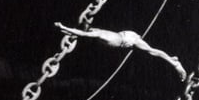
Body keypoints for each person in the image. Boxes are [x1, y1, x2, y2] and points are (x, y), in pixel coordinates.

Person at [55, 22, 186, 80]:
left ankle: (175, 63)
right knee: (150, 52)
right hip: (125, 36)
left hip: (127, 39)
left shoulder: (96, 34)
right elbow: (79, 33)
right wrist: (64, 30)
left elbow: (81, 34)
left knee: (151, 52)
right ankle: (171, 59)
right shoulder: (94, 30)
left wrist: (63, 27)